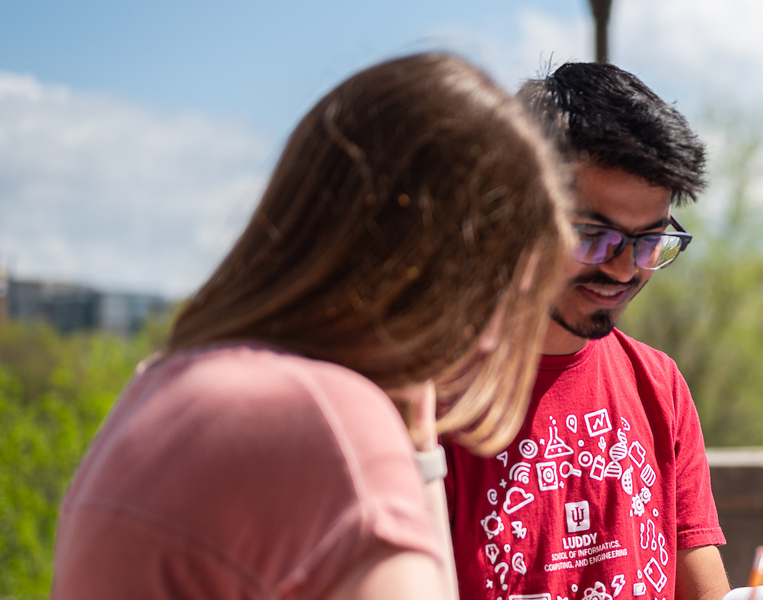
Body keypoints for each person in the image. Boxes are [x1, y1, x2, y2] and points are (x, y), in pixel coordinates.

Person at [52, 52, 573, 599]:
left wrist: (417, 446)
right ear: (433, 271)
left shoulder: (160, 384)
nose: (494, 340)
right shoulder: (329, 424)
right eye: (503, 295)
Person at [442, 62, 763, 600]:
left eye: (649, 241)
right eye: (593, 236)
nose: (623, 269)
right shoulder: (430, 398)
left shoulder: (657, 384)